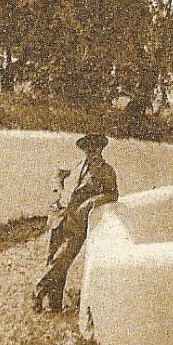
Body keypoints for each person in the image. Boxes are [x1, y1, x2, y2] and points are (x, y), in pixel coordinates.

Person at [34, 133, 118, 313]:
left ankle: (38, 291)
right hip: (60, 217)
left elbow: (112, 194)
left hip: (78, 223)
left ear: (101, 148)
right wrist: (57, 192)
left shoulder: (106, 170)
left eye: (94, 147)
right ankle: (55, 305)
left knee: (61, 260)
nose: (91, 151)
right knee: (54, 259)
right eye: (87, 148)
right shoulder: (77, 166)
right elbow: (59, 176)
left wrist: (90, 203)